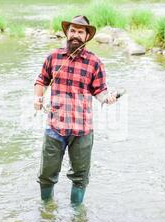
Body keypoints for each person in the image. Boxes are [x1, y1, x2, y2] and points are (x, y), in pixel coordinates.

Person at [33, 15, 117, 205]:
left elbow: (100, 91)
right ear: (67, 33)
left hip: (82, 130)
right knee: (46, 174)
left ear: (87, 36)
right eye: (72, 31)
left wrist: (107, 99)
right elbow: (41, 80)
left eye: (80, 32)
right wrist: (37, 97)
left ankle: (77, 215)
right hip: (55, 127)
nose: (75, 35)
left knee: (80, 177)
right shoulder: (53, 57)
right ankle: (47, 211)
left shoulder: (95, 62)